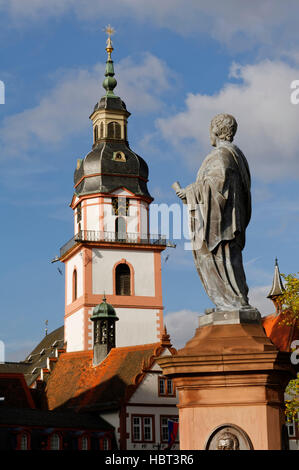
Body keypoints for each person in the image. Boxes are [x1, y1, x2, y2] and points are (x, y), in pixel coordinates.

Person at [175, 113, 252, 312]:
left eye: (211, 129)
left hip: (220, 224)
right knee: (230, 263)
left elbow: (216, 183)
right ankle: (235, 301)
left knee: (218, 261)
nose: (210, 134)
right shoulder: (238, 155)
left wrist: (189, 192)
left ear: (217, 130)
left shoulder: (221, 155)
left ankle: (231, 303)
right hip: (232, 221)